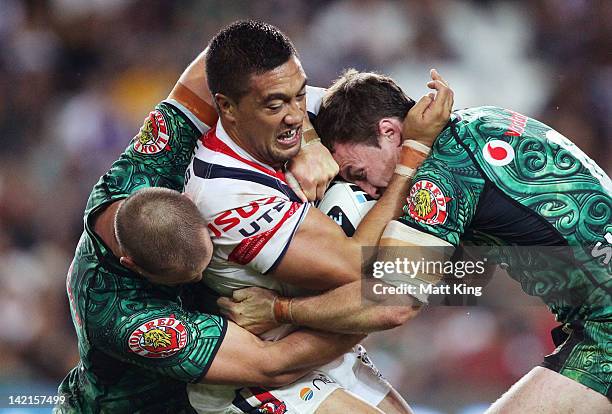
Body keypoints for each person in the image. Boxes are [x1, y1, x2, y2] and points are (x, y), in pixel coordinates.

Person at [220, 70, 612, 413]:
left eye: (356, 172)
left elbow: (391, 304)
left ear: (390, 131)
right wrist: (308, 141)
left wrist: (279, 309)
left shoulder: (437, 180)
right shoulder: (479, 121)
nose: (365, 192)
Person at [54, 48, 358, 413]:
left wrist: (307, 141)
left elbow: (231, 51)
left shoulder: (151, 161)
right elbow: (273, 364)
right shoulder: (125, 316)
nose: (208, 272)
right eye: (192, 276)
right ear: (133, 264)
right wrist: (371, 312)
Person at [183, 21, 454, 414]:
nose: (296, 113)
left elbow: (353, 112)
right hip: (261, 371)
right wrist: (411, 156)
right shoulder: (224, 193)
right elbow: (355, 267)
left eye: (299, 95)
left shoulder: (287, 109)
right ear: (227, 107)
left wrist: (310, 140)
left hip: (323, 345)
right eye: (277, 105)